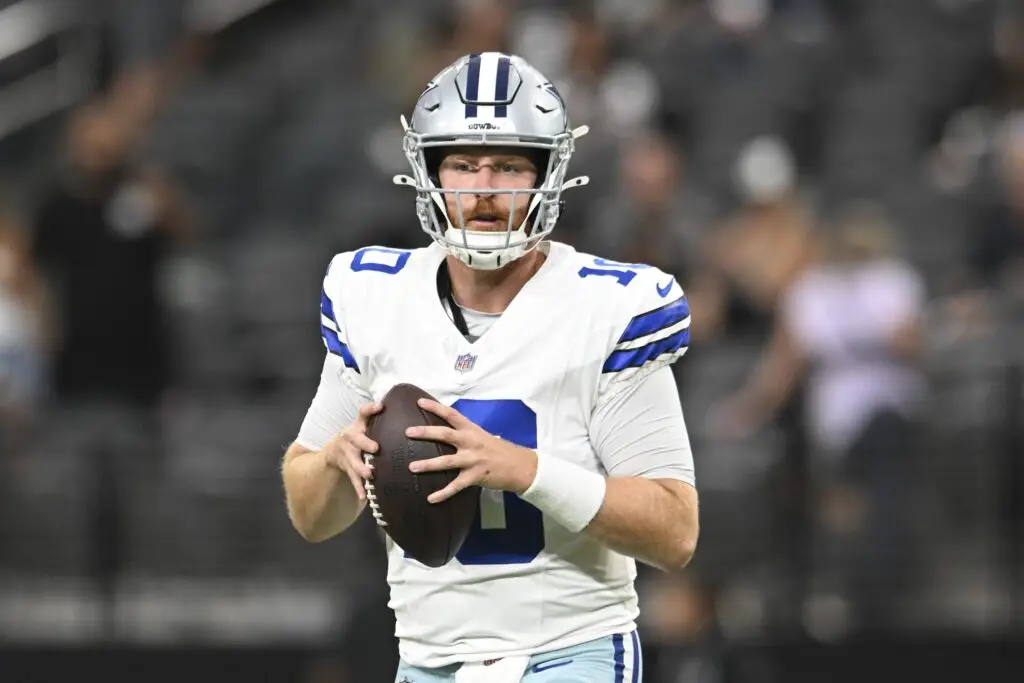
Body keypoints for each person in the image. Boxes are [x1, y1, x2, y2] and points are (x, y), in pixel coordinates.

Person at [281, 52, 699, 683]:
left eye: (507, 165)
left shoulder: (609, 307)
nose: (482, 189)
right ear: (429, 173)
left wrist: (522, 470)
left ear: (545, 177)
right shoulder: (372, 297)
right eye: (463, 164)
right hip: (425, 660)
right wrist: (339, 459)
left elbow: (674, 531)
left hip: (571, 649)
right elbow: (312, 517)